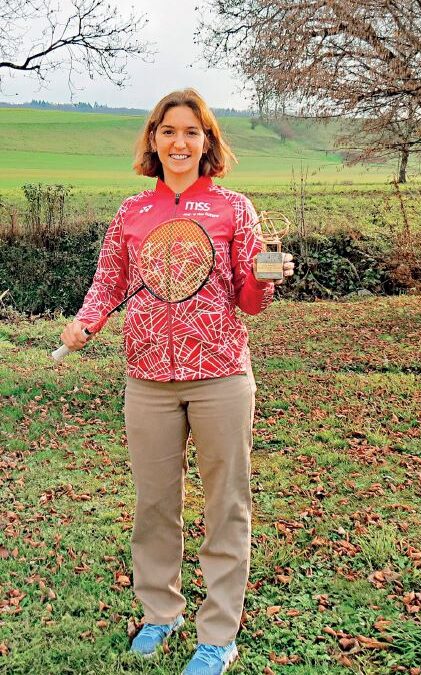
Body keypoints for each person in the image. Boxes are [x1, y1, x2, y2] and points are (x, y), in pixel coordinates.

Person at [60, 88, 294, 675]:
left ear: (208, 140)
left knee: (226, 506)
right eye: (169, 131)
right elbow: (109, 283)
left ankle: (218, 634)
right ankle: (160, 613)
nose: (180, 142)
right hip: (147, 380)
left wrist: (266, 280)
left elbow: (248, 298)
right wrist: (86, 323)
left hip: (220, 377)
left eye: (193, 131)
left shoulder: (236, 209)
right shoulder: (132, 214)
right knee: (155, 505)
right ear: (154, 140)